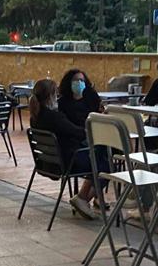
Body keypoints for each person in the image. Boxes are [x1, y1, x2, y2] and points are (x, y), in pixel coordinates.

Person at [30, 79, 109, 220]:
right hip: (68, 161)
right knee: (106, 162)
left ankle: (83, 199)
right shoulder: (55, 117)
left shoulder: (36, 117)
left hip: (47, 162)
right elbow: (78, 133)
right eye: (56, 94)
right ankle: (82, 197)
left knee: (100, 157)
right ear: (51, 96)